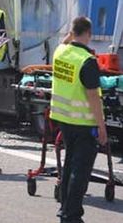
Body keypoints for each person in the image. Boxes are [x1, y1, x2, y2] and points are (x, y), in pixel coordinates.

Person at [50, 17, 107, 223]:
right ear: (89, 34)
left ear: (71, 32)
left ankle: (65, 208)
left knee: (69, 164)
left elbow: (65, 42)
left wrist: (71, 34)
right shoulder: (87, 60)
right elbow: (93, 97)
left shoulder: (60, 52)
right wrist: (102, 127)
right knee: (80, 171)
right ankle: (71, 215)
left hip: (63, 119)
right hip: (84, 123)